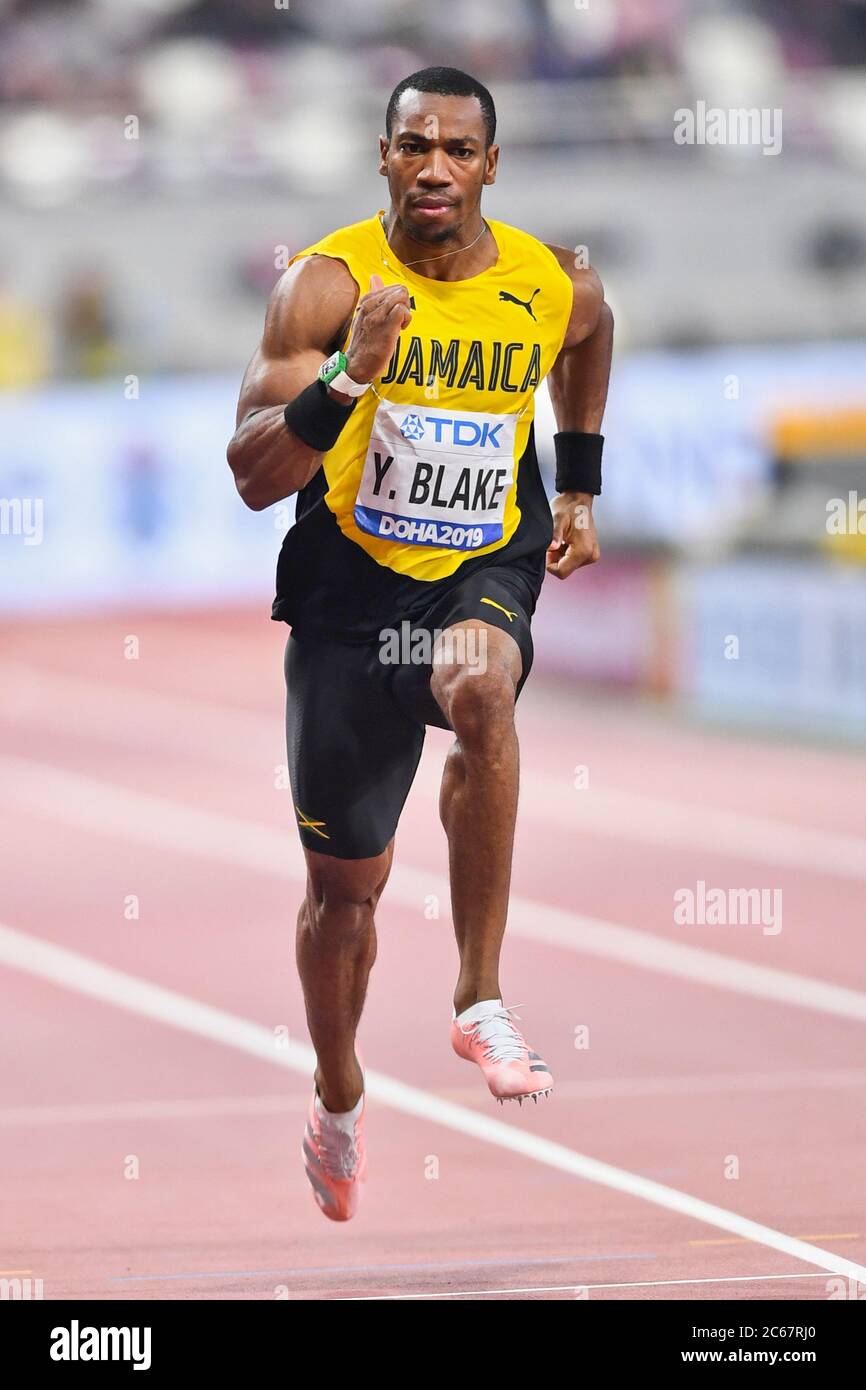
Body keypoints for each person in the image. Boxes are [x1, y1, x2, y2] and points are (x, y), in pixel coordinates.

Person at [227, 66, 613, 1222]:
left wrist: (580, 489)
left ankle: (478, 994)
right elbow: (253, 478)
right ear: (381, 157)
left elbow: (590, 335)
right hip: (348, 596)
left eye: (457, 148)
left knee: (480, 688)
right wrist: (351, 374)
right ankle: (338, 1094)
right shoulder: (329, 284)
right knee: (343, 898)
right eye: (413, 146)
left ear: (491, 166)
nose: (434, 166)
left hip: (480, 566)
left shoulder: (546, 283)